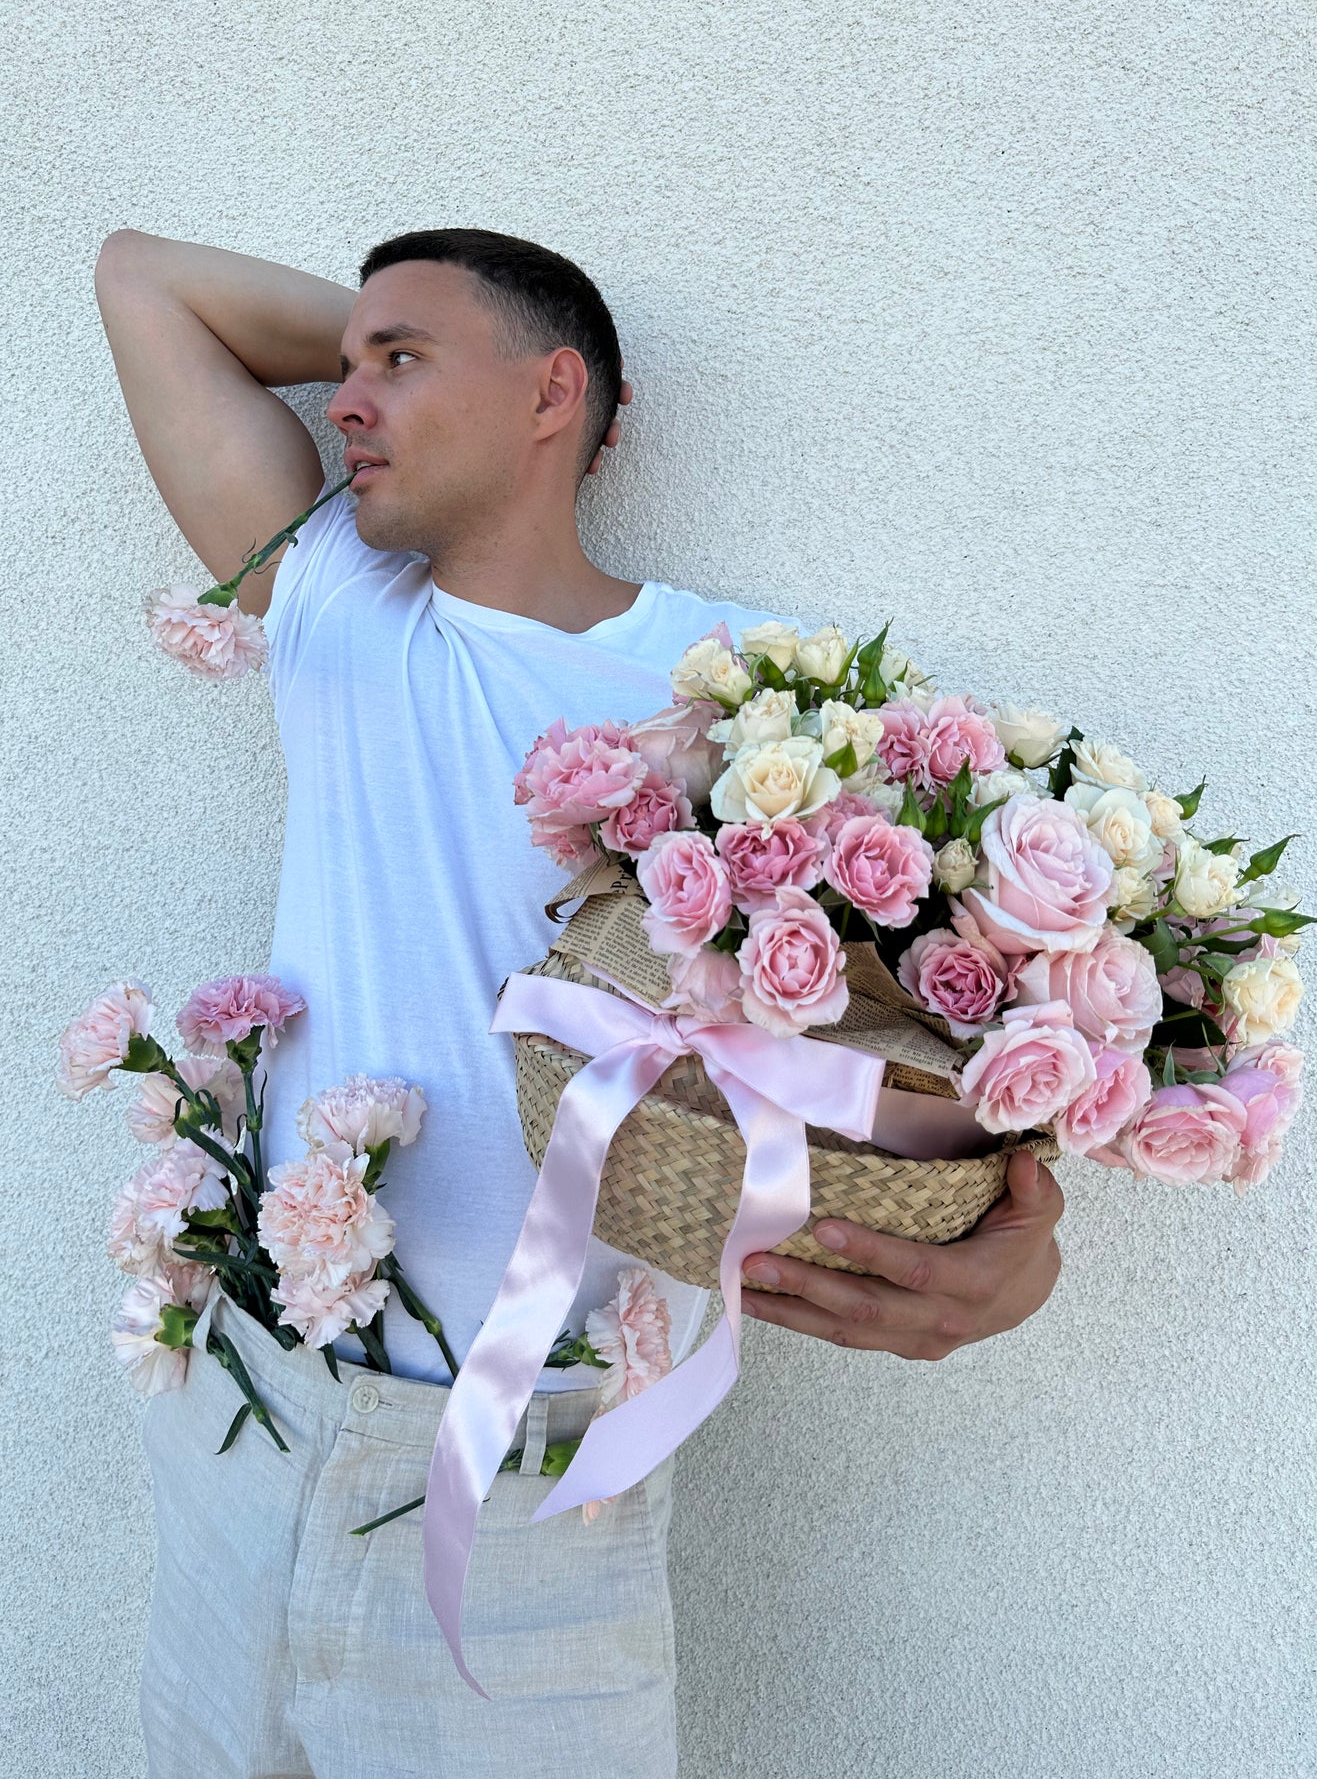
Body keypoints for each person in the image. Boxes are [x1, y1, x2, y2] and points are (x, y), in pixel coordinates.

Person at [94, 226, 1065, 1779]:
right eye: (341, 366)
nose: (343, 398)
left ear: (554, 395)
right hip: (256, 1409)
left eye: (396, 361)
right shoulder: (341, 609)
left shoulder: (747, 694)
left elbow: (943, 1023)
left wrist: (1014, 1234)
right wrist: (402, 367)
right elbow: (140, 279)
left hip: (548, 1487)